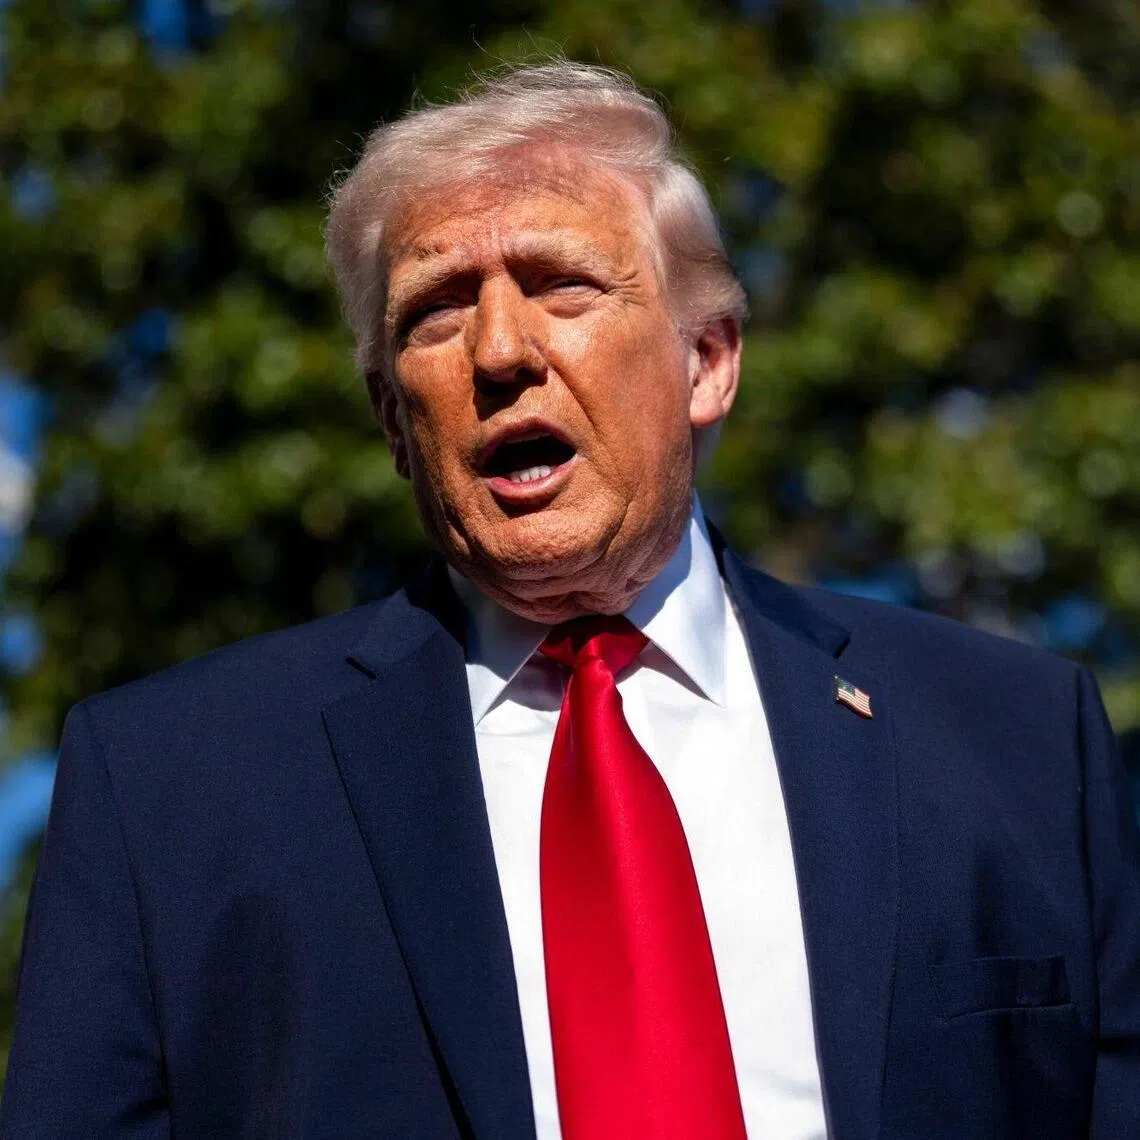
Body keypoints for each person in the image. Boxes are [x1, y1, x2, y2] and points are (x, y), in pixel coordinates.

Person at [3, 61, 1139, 1140]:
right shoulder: (168, 790)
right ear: (393, 423)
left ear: (708, 360)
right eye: (437, 311)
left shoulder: (1015, 738)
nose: (500, 350)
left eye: (563, 285)